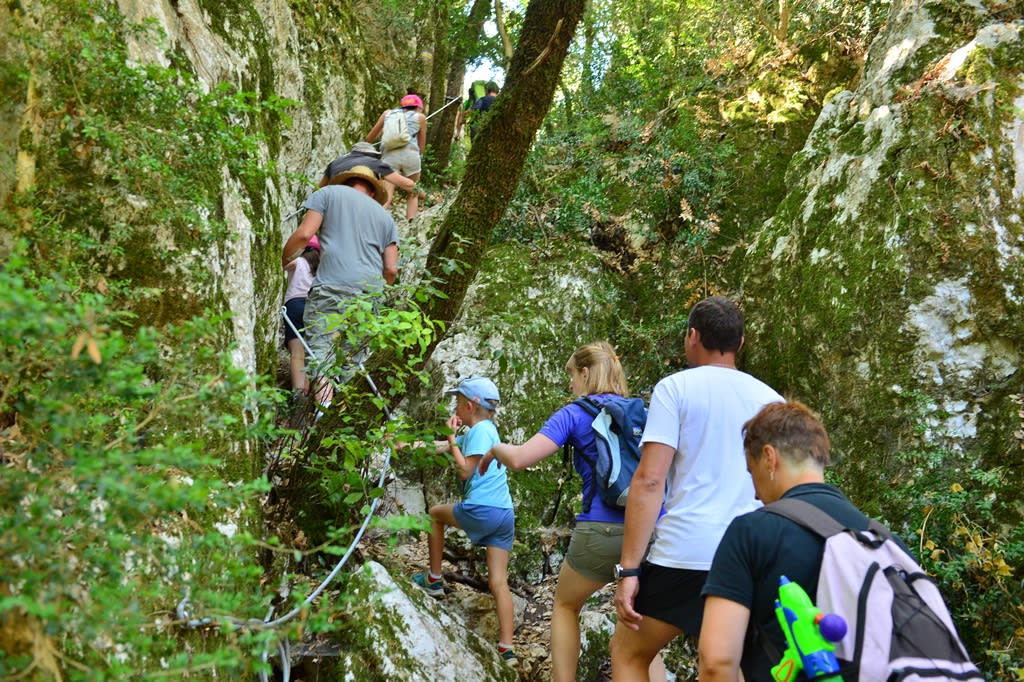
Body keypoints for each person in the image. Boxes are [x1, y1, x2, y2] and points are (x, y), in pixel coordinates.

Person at [610, 296, 783, 682]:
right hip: (750, 555)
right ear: (740, 343)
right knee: (730, 664)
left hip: (684, 552)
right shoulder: (772, 401)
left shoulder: (675, 389)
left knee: (629, 652)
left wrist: (630, 570)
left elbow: (650, 480)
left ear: (692, 336)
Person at [478, 341, 667, 682]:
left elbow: (521, 458)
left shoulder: (574, 414)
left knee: (566, 605)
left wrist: (494, 449)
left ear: (585, 372)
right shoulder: (643, 414)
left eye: (572, 376)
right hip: (652, 533)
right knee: (640, 625)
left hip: (602, 530)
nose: (571, 386)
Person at [699, 401, 894, 680]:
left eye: (751, 473)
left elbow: (717, 662)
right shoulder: (882, 538)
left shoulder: (752, 532)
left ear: (769, 458)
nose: (755, 494)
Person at [410, 377, 517, 664]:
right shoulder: (483, 431)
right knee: (498, 581)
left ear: (469, 406)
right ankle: (507, 649)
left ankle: (433, 579)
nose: (455, 407)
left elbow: (464, 471)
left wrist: (451, 439)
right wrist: (405, 445)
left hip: (482, 508)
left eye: (457, 402)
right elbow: (445, 448)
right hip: (503, 515)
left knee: (434, 515)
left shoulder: (480, 432)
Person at [280, 165, 399, 411]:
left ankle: (322, 416)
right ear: (374, 192)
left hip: (332, 285)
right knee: (352, 360)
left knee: (320, 352)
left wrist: (282, 258)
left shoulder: (328, 194)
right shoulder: (386, 218)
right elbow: (391, 270)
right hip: (369, 295)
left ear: (346, 182)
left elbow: (304, 235)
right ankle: (340, 423)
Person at [366, 93, 427, 220]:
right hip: (411, 155)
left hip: (389, 157)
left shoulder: (387, 114)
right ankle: (411, 225)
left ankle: (374, 222)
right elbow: (422, 146)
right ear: (419, 107)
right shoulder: (420, 117)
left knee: (386, 195)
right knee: (412, 191)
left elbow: (369, 138)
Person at [317, 141, 416, 208]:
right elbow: (408, 184)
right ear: (372, 154)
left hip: (334, 203)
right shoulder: (374, 162)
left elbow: (319, 189)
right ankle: (381, 211)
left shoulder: (334, 163)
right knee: (388, 180)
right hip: (359, 205)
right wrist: (420, 192)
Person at [282, 234, 320, 397]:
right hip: (313, 306)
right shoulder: (322, 267)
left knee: (297, 353)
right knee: (312, 353)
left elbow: (283, 266)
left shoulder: (299, 262)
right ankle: (308, 387)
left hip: (294, 304)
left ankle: (298, 395)